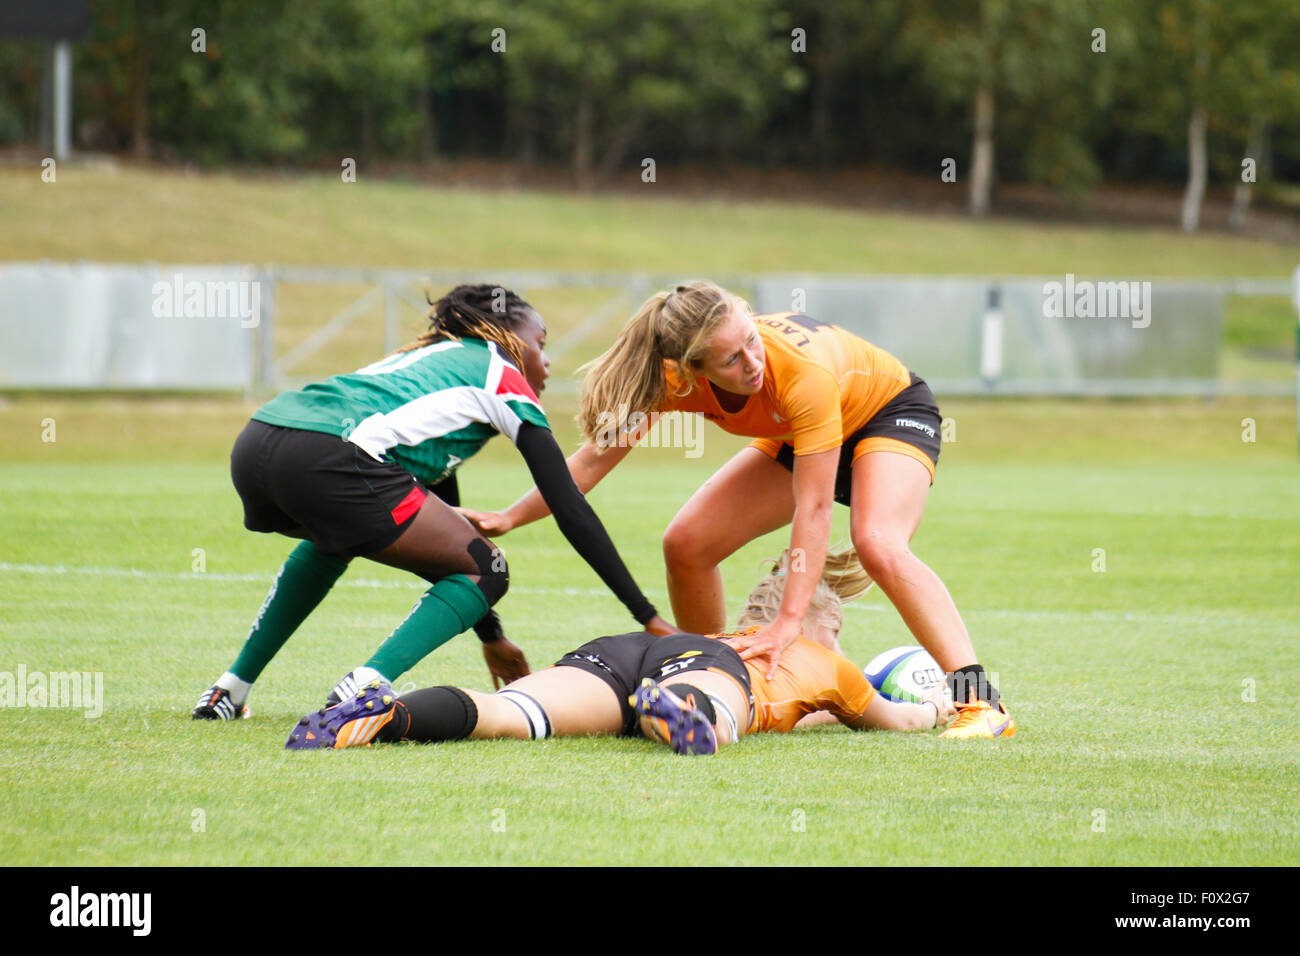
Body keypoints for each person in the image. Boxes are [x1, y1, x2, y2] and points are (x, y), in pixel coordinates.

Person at [460, 280, 1013, 739]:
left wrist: (786, 624)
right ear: (691, 367)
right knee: (687, 542)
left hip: (886, 412)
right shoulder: (671, 380)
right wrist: (510, 517)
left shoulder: (800, 372)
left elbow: (815, 507)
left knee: (878, 542)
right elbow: (588, 465)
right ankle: (704, 674)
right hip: (796, 433)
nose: (753, 362)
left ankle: (981, 703)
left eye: (752, 341)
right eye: (732, 358)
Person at [193, 283, 673, 720]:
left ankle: (228, 690)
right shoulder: (503, 377)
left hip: (260, 440)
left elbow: (439, 503)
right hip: (332, 454)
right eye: (541, 344)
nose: (545, 363)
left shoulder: (435, 359)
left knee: (334, 537)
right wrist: (646, 614)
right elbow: (568, 505)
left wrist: (491, 635)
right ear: (506, 336)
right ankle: (363, 687)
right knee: (490, 569)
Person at [284, 548, 957, 754]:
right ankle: (678, 711)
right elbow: (894, 720)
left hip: (636, 651)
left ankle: (388, 716)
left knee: (511, 711)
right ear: (818, 626)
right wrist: (938, 704)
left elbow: (801, 714)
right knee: (719, 716)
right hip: (707, 676)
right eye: (836, 631)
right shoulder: (827, 667)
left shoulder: (735, 638)